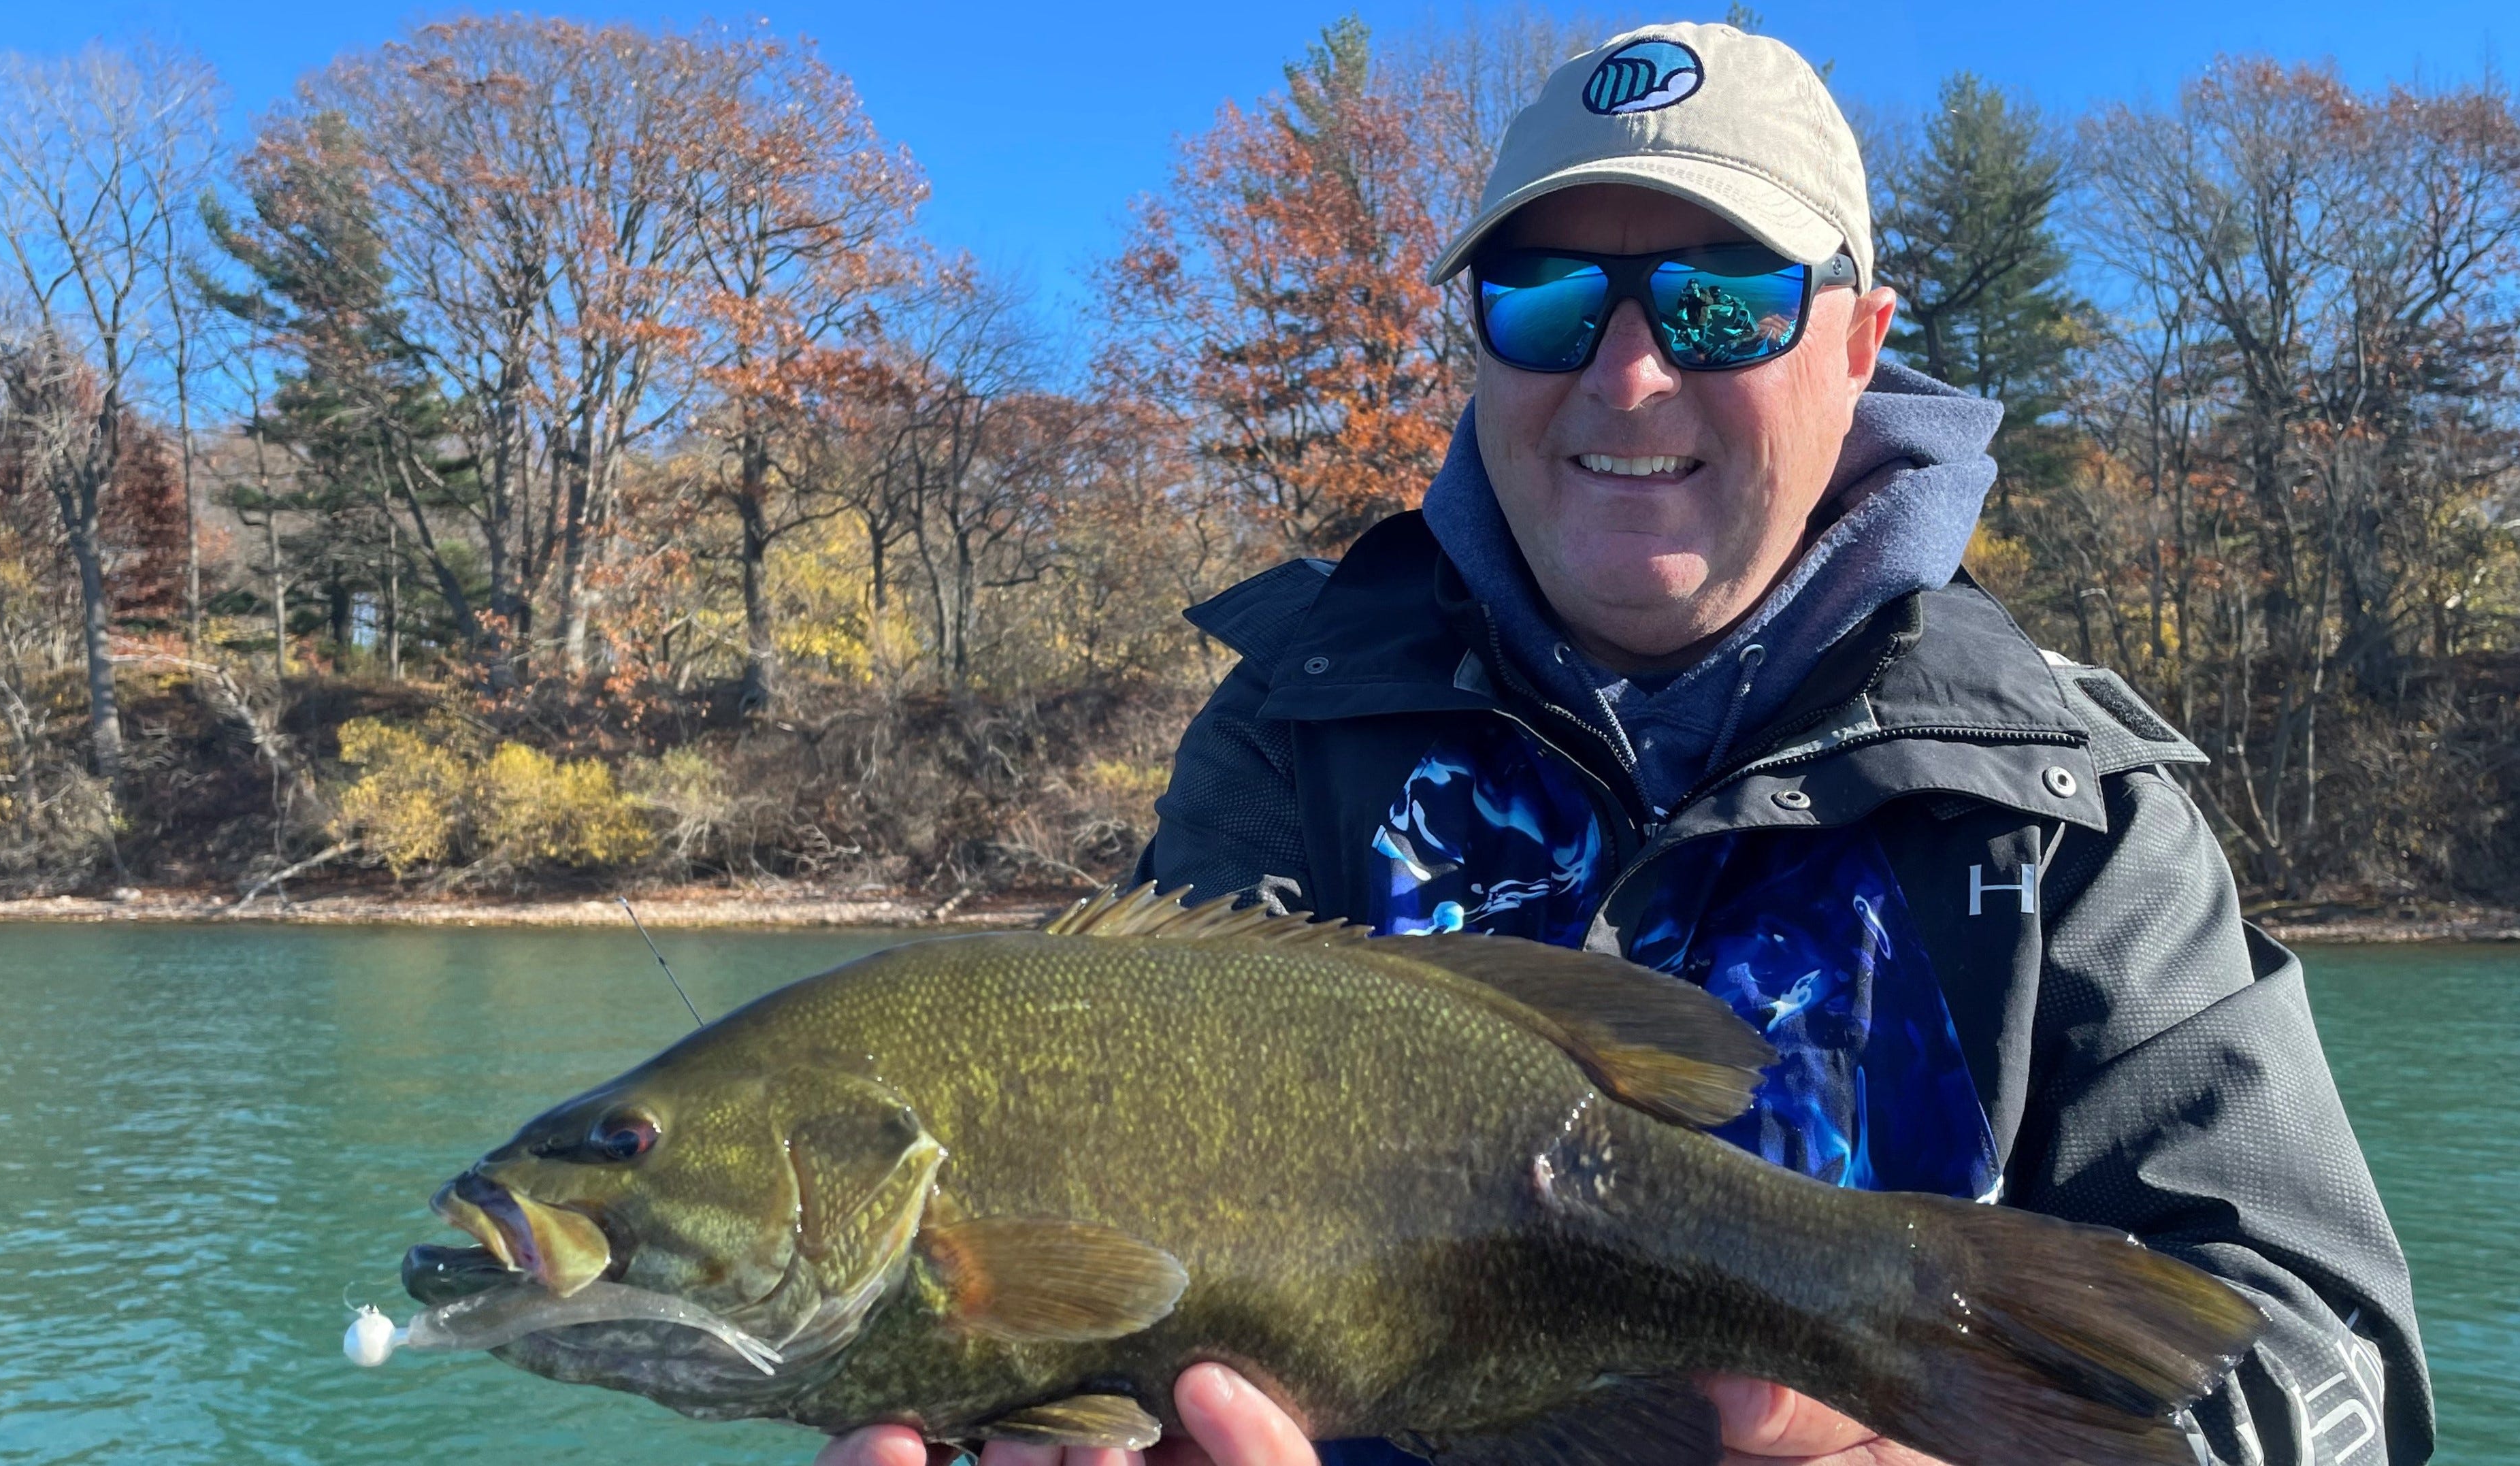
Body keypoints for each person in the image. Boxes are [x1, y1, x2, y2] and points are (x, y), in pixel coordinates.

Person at [823, 22, 2430, 1466]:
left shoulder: (2066, 812)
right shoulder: (1287, 741)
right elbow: (1090, 1248)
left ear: (1861, 343)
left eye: (1725, 301)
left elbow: (2335, 1356)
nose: (1631, 370)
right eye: (1548, 299)